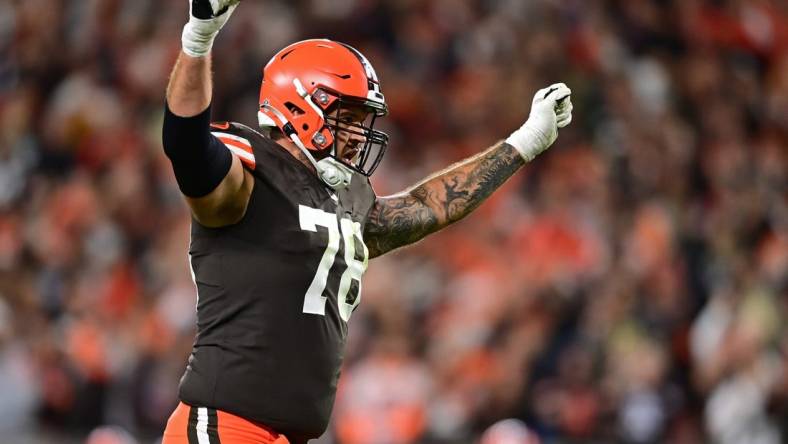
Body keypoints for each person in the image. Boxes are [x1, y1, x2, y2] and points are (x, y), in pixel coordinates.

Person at [161, 1, 573, 443]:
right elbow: (186, 144)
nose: (360, 136)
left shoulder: (345, 199)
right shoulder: (251, 171)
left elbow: (431, 206)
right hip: (225, 424)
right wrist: (199, 38)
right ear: (302, 107)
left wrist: (522, 144)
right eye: (350, 119)